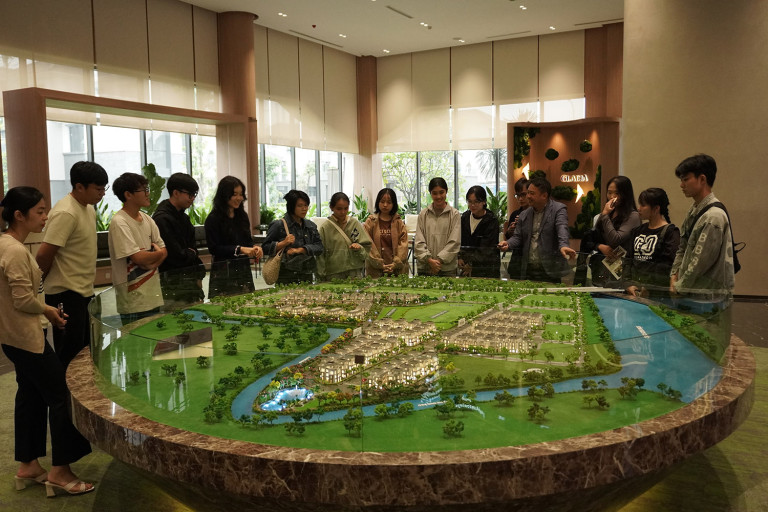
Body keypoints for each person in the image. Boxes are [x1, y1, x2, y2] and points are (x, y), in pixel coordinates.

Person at [0, 187, 94, 497]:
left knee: (30, 394)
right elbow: (23, 299)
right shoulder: (14, 250)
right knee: (62, 395)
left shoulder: (7, 245)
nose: (45, 216)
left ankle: (28, 464)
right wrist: (48, 310)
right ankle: (60, 472)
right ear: (19, 215)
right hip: (27, 337)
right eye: (40, 211)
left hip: (14, 336)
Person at [36, 161, 108, 367]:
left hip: (84, 291)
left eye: (104, 188)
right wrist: (38, 285)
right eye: (98, 189)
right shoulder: (66, 212)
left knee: (86, 349)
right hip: (65, 292)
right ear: (79, 186)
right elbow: (44, 254)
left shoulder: (88, 208)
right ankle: (64, 389)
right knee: (70, 353)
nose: (102, 193)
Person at [670, 154, 735, 298]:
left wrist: (679, 287)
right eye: (681, 180)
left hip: (707, 298)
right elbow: (682, 246)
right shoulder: (694, 209)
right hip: (691, 293)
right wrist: (674, 275)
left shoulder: (714, 216)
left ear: (702, 179)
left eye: (686, 179)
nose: (681, 185)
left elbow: (700, 262)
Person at [108, 173, 167, 324]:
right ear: (128, 195)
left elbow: (164, 251)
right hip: (132, 301)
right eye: (144, 190)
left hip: (153, 296)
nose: (148, 194)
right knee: (134, 338)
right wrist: (157, 255)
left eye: (147, 189)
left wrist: (152, 261)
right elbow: (138, 258)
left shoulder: (148, 219)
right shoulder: (119, 222)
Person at [497, 177, 576, 283]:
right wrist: (508, 243)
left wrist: (564, 245)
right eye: (528, 193)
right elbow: (518, 237)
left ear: (544, 195)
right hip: (528, 269)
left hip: (550, 269)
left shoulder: (558, 209)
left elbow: (562, 228)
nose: (528, 196)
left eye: (532, 193)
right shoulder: (524, 214)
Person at [152, 173, 206, 306]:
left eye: (194, 194)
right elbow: (175, 255)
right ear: (176, 193)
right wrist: (190, 253)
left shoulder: (183, 217)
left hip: (189, 280)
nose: (192, 198)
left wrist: (198, 272)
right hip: (172, 283)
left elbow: (193, 250)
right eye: (190, 194)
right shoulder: (162, 219)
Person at [204, 176, 263, 298]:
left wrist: (255, 248)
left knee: (247, 303)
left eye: (241, 194)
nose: (239, 198)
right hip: (223, 271)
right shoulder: (213, 218)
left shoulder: (242, 216)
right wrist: (239, 249)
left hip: (243, 270)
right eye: (234, 194)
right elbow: (214, 248)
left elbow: (247, 241)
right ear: (224, 195)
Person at [623, 188, 681, 297]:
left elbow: (666, 265)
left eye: (643, 205)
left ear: (656, 209)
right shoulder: (637, 231)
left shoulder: (671, 232)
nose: (639, 208)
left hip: (657, 293)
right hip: (635, 289)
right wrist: (628, 284)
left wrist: (649, 286)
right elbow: (628, 259)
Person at [262, 189, 323, 284]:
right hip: (286, 275)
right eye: (300, 206)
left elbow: (319, 247)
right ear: (291, 206)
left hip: (307, 273)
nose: (304, 209)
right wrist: (283, 243)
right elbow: (265, 248)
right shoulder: (279, 225)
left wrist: (301, 250)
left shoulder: (310, 225)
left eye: (306, 205)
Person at [590, 176, 642, 286]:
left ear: (625, 194)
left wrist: (605, 215)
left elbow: (615, 239)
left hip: (622, 269)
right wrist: (599, 246)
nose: (612, 197)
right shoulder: (606, 214)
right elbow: (591, 239)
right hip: (600, 268)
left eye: (617, 193)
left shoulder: (633, 216)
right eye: (609, 193)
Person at [317, 192, 372, 281]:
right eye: (339, 209)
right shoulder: (325, 227)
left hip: (354, 271)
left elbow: (367, 247)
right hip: (333, 273)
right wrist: (321, 275)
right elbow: (320, 254)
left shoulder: (354, 223)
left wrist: (359, 247)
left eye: (346, 208)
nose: (343, 212)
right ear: (331, 207)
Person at [414, 177, 461, 276]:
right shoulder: (423, 214)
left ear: (446, 191)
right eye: (434, 193)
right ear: (430, 193)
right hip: (426, 267)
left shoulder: (455, 214)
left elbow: (454, 242)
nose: (438, 196)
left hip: (447, 268)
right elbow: (419, 241)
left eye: (441, 192)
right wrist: (429, 260)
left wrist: (438, 261)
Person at [364, 188, 409, 278]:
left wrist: (395, 264)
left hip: (397, 270)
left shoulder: (398, 222)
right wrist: (379, 263)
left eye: (389, 202)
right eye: (382, 201)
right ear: (378, 202)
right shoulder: (371, 221)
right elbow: (367, 243)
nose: (385, 205)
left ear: (393, 204)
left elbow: (403, 244)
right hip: (375, 269)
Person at [458, 186, 500, 278]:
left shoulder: (491, 220)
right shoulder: (464, 218)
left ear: (484, 202)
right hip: (465, 267)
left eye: (476, 202)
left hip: (486, 268)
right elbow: (460, 240)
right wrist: (460, 257)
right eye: (470, 201)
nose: (472, 205)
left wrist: (471, 264)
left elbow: (487, 248)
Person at [504, 178, 530, 279]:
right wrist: (510, 231)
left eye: (523, 195)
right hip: (517, 259)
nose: (520, 199)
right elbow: (509, 239)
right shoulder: (515, 214)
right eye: (518, 195)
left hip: (531, 260)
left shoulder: (537, 214)